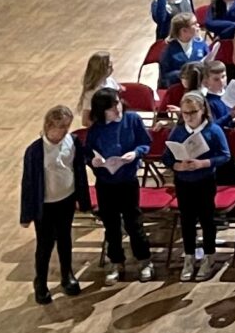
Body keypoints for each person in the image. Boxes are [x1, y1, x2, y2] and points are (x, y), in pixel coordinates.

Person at [79, 86, 154, 278]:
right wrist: (94, 162)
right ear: (101, 110)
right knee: (111, 225)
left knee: (133, 223)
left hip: (127, 181)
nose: (117, 109)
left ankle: (144, 260)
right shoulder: (96, 129)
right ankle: (116, 261)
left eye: (118, 104)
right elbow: (88, 153)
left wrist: (135, 153)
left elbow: (145, 143)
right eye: (111, 107)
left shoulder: (133, 120)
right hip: (105, 182)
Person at [18, 104, 86, 303]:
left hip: (66, 199)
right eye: (60, 127)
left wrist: (82, 199)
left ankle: (67, 275)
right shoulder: (35, 151)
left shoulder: (72, 142)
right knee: (45, 244)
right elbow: (28, 184)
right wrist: (26, 215)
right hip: (46, 204)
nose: (64, 131)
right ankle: (41, 282)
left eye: (67, 126)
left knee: (65, 239)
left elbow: (79, 171)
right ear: (48, 126)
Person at [163, 91, 230, 275]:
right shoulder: (178, 130)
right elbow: (166, 157)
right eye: (185, 113)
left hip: (205, 180)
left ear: (202, 110)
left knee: (207, 219)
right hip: (183, 181)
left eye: (193, 112)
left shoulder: (213, 130)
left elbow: (225, 155)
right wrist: (178, 166)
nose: (189, 117)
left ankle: (209, 256)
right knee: (187, 220)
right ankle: (189, 256)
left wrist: (203, 163)